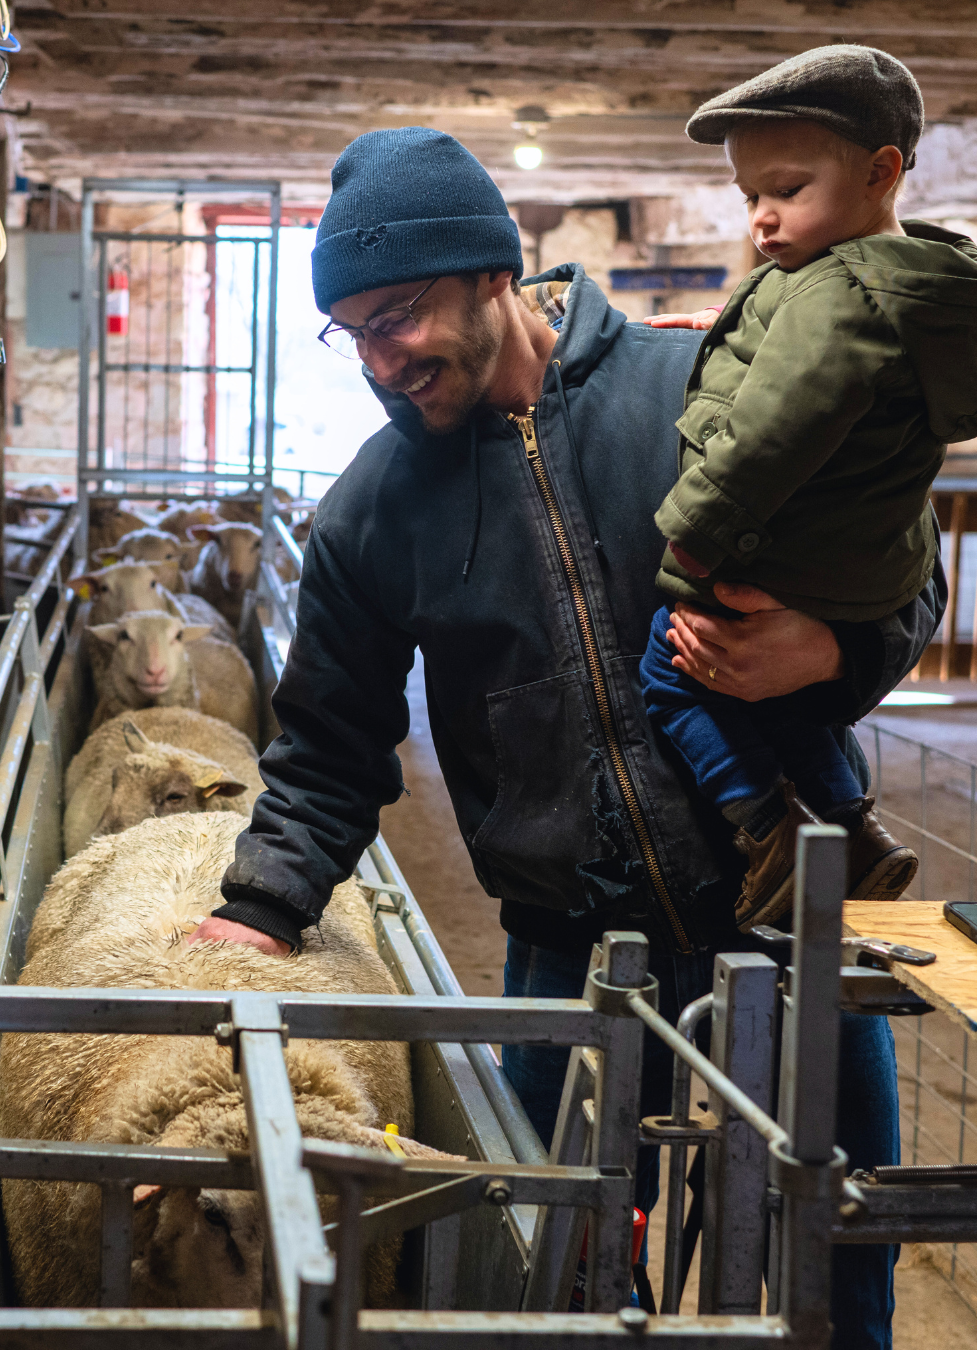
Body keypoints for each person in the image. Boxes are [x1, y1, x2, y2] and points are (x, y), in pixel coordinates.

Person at [185, 125, 945, 1347]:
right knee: (558, 1271)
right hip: (572, 952)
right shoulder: (373, 510)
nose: (381, 360)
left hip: (794, 922)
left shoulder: (697, 390)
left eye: (401, 317)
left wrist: (834, 650)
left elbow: (897, 579)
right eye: (355, 332)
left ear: (494, 273)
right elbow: (329, 740)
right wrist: (261, 907)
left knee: (835, 1252)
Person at [638, 45, 977, 936]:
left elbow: (769, 435)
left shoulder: (834, 302)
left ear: (881, 171)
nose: (761, 218)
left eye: (786, 189)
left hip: (766, 552)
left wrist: (692, 534)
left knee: (669, 676)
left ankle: (769, 825)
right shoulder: (910, 292)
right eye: (750, 196)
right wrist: (744, 329)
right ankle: (854, 832)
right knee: (786, 710)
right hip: (852, 573)